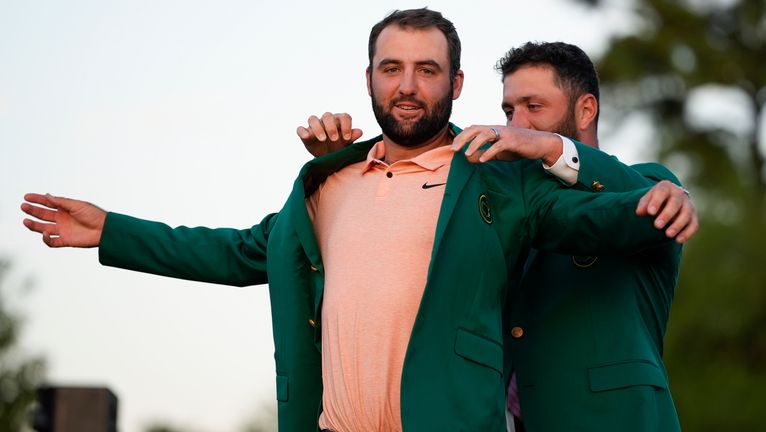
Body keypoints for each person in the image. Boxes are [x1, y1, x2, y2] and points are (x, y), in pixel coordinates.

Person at [21, 9, 695, 432]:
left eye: (427, 70)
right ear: (369, 78)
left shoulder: (499, 181)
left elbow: (609, 222)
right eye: (392, 68)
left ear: (454, 86)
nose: (408, 86)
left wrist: (659, 199)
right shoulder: (327, 182)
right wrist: (111, 230)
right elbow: (238, 253)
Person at [299, 42, 695, 432]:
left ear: (586, 109)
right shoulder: (498, 202)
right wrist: (336, 169)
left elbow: (647, 206)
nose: (516, 124)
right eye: (509, 110)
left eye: (533, 107)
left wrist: (551, 146)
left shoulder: (651, 183)